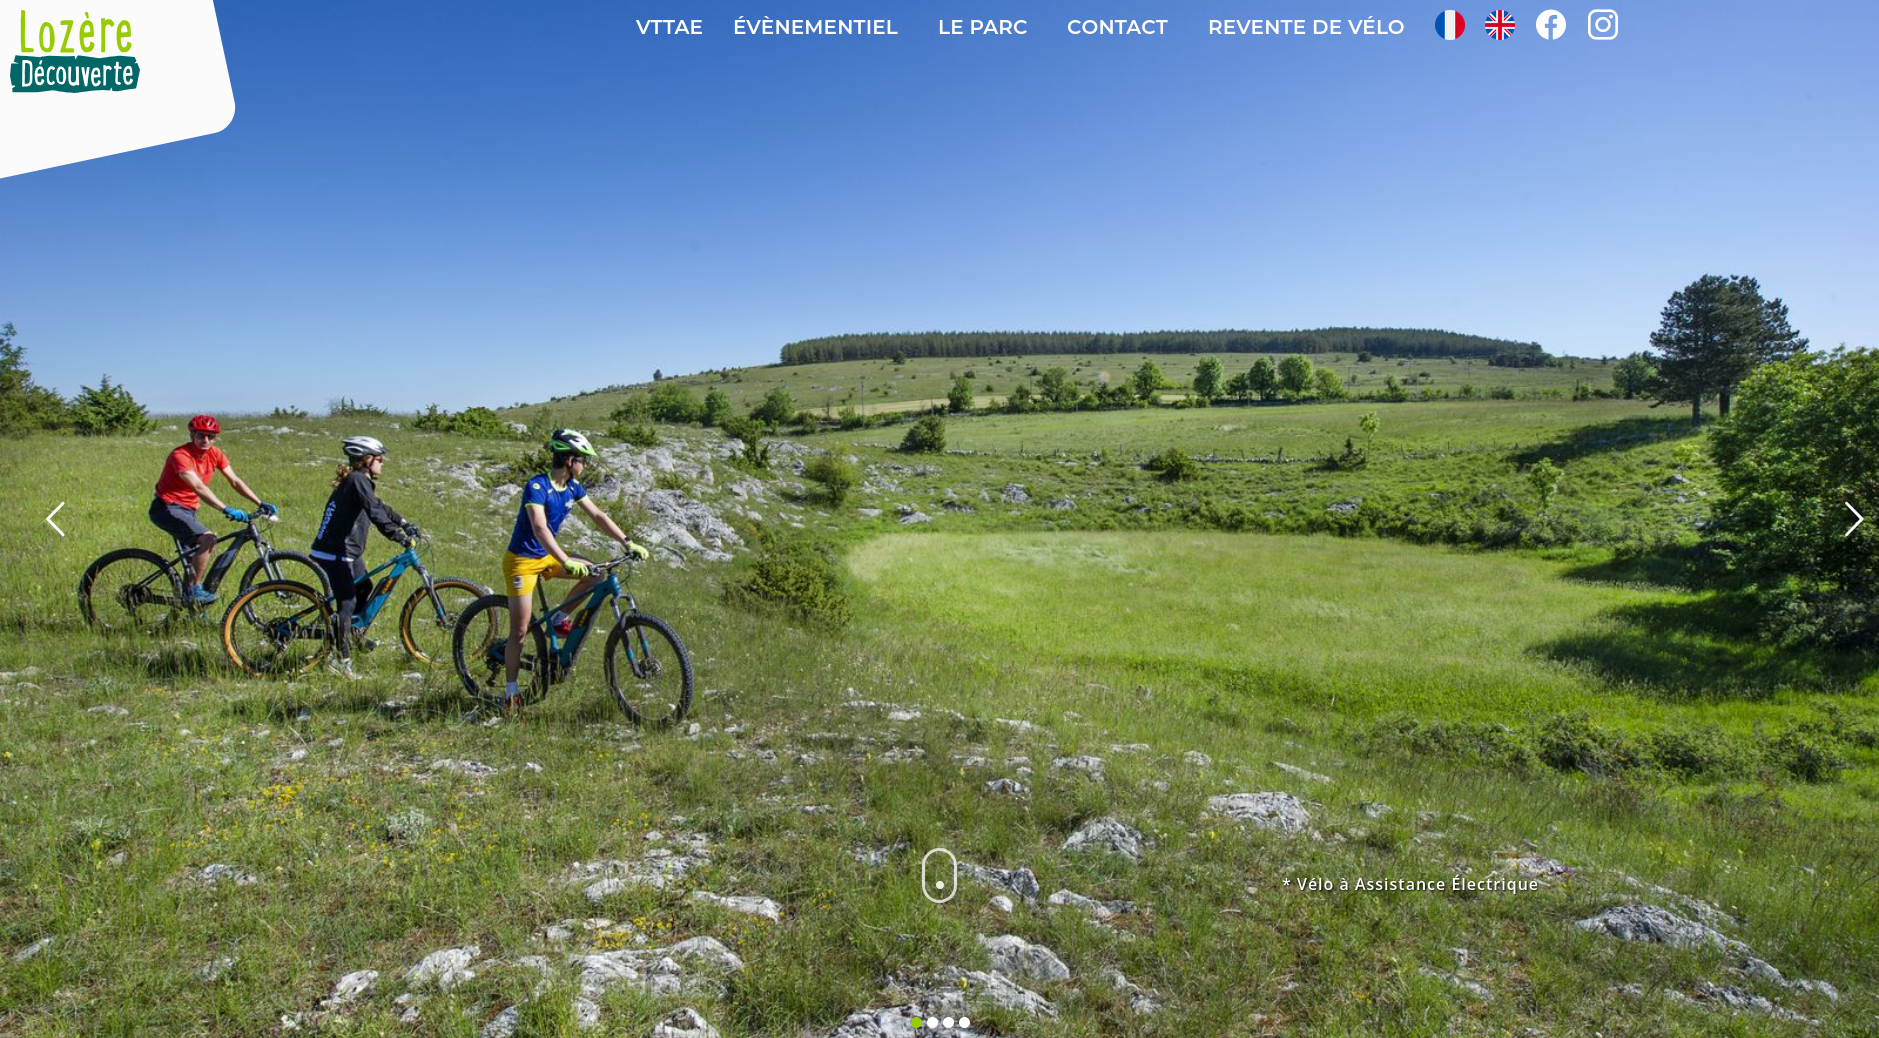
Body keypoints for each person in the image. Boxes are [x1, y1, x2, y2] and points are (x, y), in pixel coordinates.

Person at [499, 428, 647, 712]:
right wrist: (565, 560)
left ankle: (559, 616)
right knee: (519, 629)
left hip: (549, 556)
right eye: (582, 460)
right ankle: (511, 691)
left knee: (597, 573)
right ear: (569, 460)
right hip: (522, 562)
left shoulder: (573, 488)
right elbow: (539, 528)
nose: (585, 465)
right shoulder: (537, 486)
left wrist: (627, 542)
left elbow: (598, 515)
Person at [311, 436, 420, 681]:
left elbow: (379, 506)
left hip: (348, 551)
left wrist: (403, 522)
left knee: (365, 589)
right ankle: (341, 661)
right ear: (366, 459)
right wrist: (398, 536)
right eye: (379, 457)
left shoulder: (360, 482)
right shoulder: (357, 479)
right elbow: (373, 513)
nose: (383, 461)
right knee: (347, 603)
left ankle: (350, 634)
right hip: (335, 551)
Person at [149, 414, 274, 605]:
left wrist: (259, 502)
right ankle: (193, 592)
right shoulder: (180, 456)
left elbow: (234, 480)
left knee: (193, 560)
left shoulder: (215, 454)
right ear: (192, 435)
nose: (205, 440)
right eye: (201, 435)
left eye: (210, 436)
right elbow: (198, 487)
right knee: (209, 539)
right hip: (167, 508)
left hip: (188, 511)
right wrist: (226, 509)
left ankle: (193, 609)